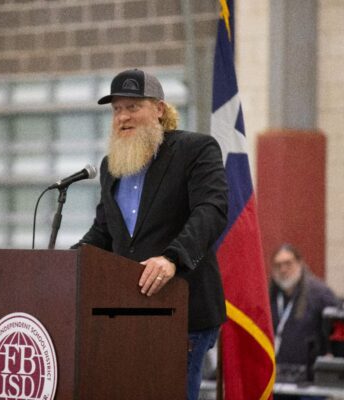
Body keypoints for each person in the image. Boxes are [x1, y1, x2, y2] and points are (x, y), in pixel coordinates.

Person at [73, 68, 228, 400]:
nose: (123, 117)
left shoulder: (195, 150)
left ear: (159, 109)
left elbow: (211, 211)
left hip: (182, 310)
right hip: (125, 316)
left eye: (132, 107)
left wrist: (173, 258)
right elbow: (104, 232)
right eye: (116, 109)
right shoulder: (112, 166)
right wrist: (69, 262)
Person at [270, 243, 338, 381]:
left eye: (288, 263)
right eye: (278, 265)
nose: (283, 269)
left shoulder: (320, 294)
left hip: (310, 378)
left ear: (300, 263)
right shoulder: (269, 296)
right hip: (278, 376)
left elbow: (337, 329)